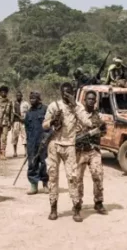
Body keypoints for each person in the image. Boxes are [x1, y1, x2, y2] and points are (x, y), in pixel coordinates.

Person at [43, 82, 94, 222]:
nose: (66, 95)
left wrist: (75, 106)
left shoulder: (78, 107)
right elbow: (44, 125)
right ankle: (53, 209)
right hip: (54, 144)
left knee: (73, 177)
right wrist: (53, 120)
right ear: (60, 93)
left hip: (70, 145)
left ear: (73, 93)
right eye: (64, 92)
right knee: (52, 176)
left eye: (69, 92)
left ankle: (76, 209)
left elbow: (88, 122)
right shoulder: (54, 106)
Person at [75, 91, 108, 215]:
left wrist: (98, 129)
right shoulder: (78, 115)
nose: (90, 101)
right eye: (88, 98)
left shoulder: (98, 116)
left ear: (95, 101)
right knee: (77, 179)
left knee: (98, 176)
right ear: (84, 100)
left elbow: (104, 132)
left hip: (94, 150)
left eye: (93, 99)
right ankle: (77, 204)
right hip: (80, 151)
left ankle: (98, 203)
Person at [25, 91, 49, 195]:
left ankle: (45, 184)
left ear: (38, 99)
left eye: (34, 98)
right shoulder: (29, 112)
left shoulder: (45, 109)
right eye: (30, 98)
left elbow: (50, 126)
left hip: (43, 141)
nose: (31, 100)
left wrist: (47, 138)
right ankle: (33, 186)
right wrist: (28, 142)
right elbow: (26, 128)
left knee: (43, 163)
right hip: (32, 142)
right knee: (32, 164)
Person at [0, 85, 13, 160]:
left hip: (5, 122)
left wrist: (11, 123)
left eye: (5, 92)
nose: (3, 93)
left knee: (4, 138)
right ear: (0, 93)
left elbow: (11, 113)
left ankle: (3, 153)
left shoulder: (9, 102)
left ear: (7, 93)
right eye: (2, 92)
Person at [11, 90, 30, 158]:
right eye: (17, 96)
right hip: (15, 122)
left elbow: (29, 112)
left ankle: (26, 152)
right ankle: (15, 152)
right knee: (14, 137)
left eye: (20, 95)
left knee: (24, 136)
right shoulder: (13, 103)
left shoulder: (26, 103)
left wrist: (26, 119)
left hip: (23, 122)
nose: (18, 97)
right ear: (16, 96)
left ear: (22, 96)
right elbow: (12, 113)